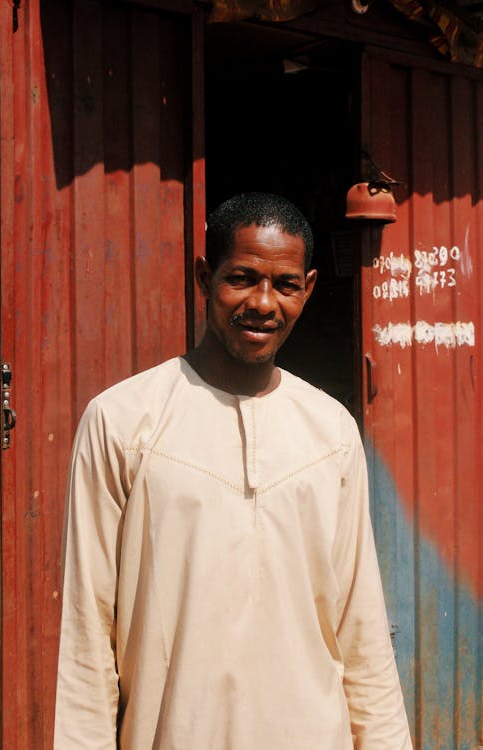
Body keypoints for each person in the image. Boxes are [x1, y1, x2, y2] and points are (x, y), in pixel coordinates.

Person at [54, 192, 412, 749]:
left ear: (308, 289)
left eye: (286, 285)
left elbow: (360, 627)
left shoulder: (331, 432)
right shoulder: (122, 422)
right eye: (242, 277)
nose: (264, 303)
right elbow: (86, 634)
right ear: (204, 278)